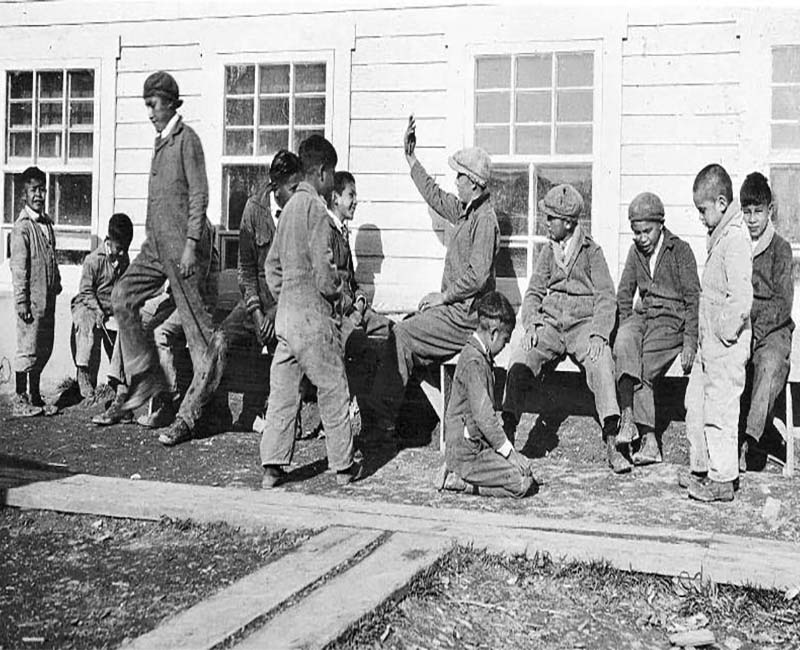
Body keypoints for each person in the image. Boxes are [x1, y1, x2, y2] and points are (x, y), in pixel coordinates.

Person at [109, 71, 226, 446]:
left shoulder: (186, 140)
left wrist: (191, 244)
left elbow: (199, 196)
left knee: (201, 340)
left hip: (183, 252)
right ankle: (148, 377)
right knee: (121, 297)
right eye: (146, 105)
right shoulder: (160, 143)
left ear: (171, 103)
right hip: (156, 248)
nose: (149, 113)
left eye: (153, 105)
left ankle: (189, 417)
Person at [370, 115, 500, 433]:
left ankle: (381, 423)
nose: (456, 182)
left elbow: (478, 277)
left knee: (402, 335)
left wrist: (442, 297)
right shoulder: (468, 211)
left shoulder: (485, 220)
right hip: (454, 311)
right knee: (405, 325)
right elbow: (436, 197)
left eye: (460, 177)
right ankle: (399, 418)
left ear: (474, 183)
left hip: (466, 317)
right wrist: (411, 158)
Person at [260, 135, 361, 488]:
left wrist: (285, 296)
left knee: (283, 394)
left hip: (286, 318)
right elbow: (324, 270)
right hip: (312, 318)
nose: (332, 182)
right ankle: (344, 466)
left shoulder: (288, 209)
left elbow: (271, 267)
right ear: (321, 172)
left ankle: (272, 467)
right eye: (331, 174)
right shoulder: (316, 209)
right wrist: (338, 295)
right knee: (333, 386)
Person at [502, 184, 625, 473]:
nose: (546, 224)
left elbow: (606, 297)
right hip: (551, 324)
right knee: (521, 357)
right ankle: (507, 435)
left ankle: (612, 440)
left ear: (568, 223)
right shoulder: (548, 251)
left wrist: (599, 333)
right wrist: (532, 323)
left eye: (551, 219)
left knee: (601, 361)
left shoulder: (592, 252)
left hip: (583, 325)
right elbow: (534, 292)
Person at [681, 164, 752, 502]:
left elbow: (741, 298)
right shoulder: (720, 235)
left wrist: (724, 334)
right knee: (695, 403)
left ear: (722, 203)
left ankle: (722, 480)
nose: (700, 217)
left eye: (703, 210)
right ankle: (702, 468)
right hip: (708, 343)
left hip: (726, 343)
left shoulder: (735, 239)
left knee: (720, 411)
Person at [613, 192, 700, 465]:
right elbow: (624, 293)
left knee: (644, 367)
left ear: (660, 225)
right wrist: (627, 325)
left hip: (670, 322)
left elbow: (693, 300)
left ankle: (650, 441)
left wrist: (690, 342)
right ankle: (628, 417)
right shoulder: (635, 252)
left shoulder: (680, 250)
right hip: (644, 316)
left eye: (647, 231)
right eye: (636, 232)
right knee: (623, 341)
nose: (642, 238)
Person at [221, 149, 303, 431]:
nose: (298, 194)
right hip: (255, 300)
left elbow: (302, 276)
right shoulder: (254, 210)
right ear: (275, 187)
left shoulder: (301, 212)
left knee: (288, 346)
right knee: (220, 340)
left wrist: (274, 313)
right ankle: (201, 413)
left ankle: (281, 417)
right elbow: (245, 270)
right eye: (293, 188)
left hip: (286, 303)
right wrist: (257, 313)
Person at [436, 291, 535, 498]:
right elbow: (484, 417)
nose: (505, 346)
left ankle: (461, 477)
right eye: (505, 340)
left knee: (526, 473)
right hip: (467, 454)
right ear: (493, 334)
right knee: (521, 482)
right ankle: (460, 480)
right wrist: (510, 454)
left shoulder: (480, 356)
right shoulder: (474, 361)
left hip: (477, 448)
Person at [737, 172, 794, 471]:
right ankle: (725, 438)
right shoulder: (737, 245)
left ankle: (753, 440)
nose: (752, 219)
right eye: (746, 212)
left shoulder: (780, 248)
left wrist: (755, 332)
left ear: (769, 210)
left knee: (769, 364)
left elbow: (783, 303)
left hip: (773, 329)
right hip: (742, 325)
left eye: (757, 211)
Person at [11, 166, 61, 417]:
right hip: (31, 301)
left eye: (42, 190)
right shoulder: (23, 228)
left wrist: (57, 280)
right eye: (34, 190)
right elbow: (19, 269)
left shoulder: (47, 224)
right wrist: (22, 302)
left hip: (46, 299)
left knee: (43, 347)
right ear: (24, 194)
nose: (39, 195)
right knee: (28, 348)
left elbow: (51, 256)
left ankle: (35, 395)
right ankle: (20, 398)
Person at [70, 213, 133, 402]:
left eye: (125, 249)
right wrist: (97, 310)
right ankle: (83, 372)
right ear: (109, 240)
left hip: (109, 308)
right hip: (88, 304)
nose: (121, 253)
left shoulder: (124, 259)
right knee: (87, 323)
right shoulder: (93, 260)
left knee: (124, 328)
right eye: (119, 248)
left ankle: (116, 380)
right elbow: (86, 291)